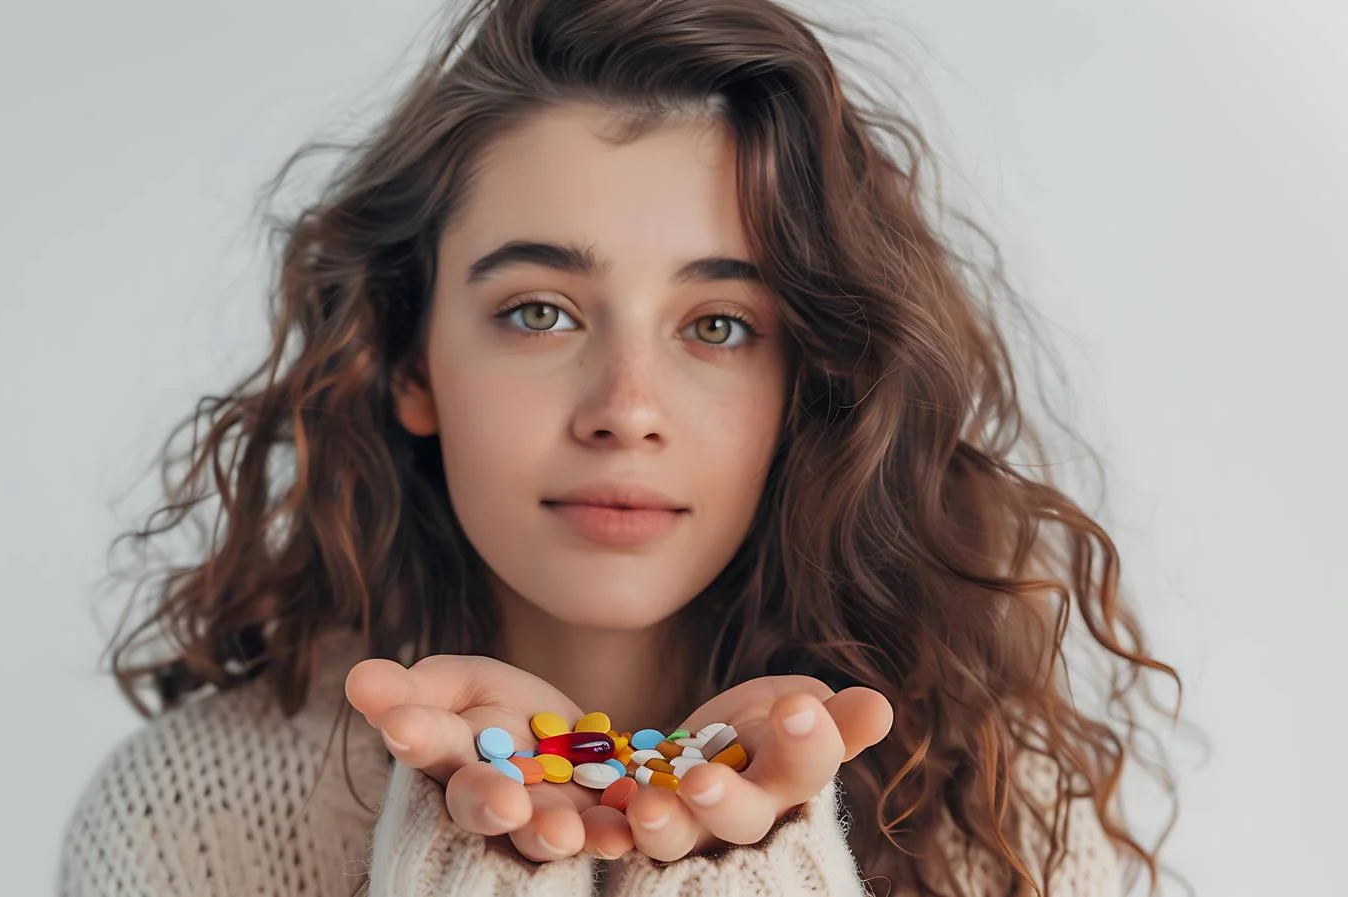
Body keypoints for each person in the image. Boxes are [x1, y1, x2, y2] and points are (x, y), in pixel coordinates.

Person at [57, 0, 1183, 894]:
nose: (625, 409)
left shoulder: (1004, 823)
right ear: (407, 362)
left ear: (813, 386)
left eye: (720, 327)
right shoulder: (188, 819)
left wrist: (748, 881)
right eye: (539, 311)